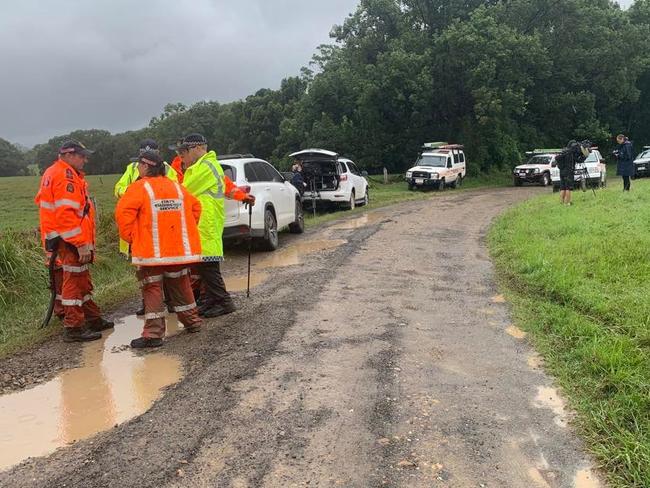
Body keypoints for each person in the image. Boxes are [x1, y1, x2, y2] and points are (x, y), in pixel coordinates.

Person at [115, 151, 203, 348]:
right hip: (178, 251)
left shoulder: (139, 188)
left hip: (151, 253)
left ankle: (154, 335)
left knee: (152, 288)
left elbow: (123, 214)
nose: (137, 168)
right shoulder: (176, 187)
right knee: (181, 285)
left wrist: (132, 239)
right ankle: (192, 322)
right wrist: (184, 231)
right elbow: (196, 208)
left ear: (146, 166)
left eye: (139, 165)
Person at [34, 140, 114, 342]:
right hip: (69, 238)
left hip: (62, 236)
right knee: (73, 281)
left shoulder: (55, 172)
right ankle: (74, 327)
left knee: (81, 279)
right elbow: (67, 214)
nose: (85, 160)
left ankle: (92, 317)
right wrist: (80, 242)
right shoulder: (65, 176)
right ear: (68, 155)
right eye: (82, 155)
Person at [175, 133, 255, 318]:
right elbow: (228, 186)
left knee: (209, 266)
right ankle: (212, 300)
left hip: (207, 221)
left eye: (184, 151)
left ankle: (225, 302)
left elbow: (184, 190)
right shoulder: (203, 165)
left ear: (197, 148)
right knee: (205, 266)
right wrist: (242, 196)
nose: (182, 156)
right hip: (204, 220)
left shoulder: (205, 167)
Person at [114, 139, 179, 257]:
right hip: (135, 213)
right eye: (143, 153)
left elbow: (174, 192)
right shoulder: (132, 167)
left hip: (158, 214)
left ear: (158, 153)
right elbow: (119, 188)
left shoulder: (167, 168)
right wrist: (132, 195)